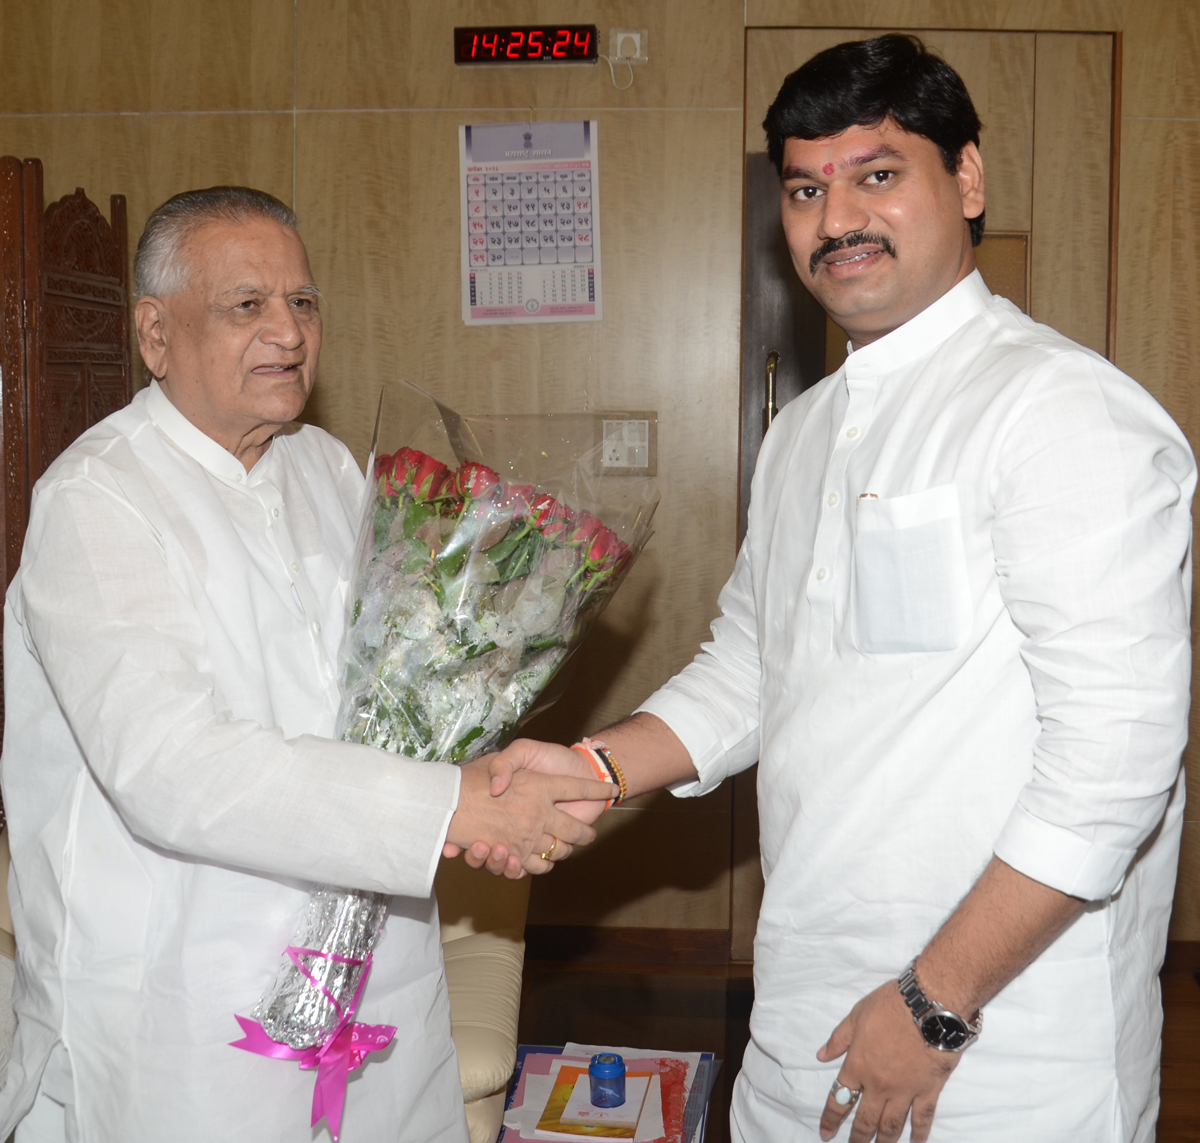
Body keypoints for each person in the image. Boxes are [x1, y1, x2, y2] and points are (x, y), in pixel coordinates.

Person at [468, 34, 1196, 1143]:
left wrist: (937, 1003)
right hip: (803, 1008)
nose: (837, 217)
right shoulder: (804, 433)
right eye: (807, 189)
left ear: (968, 180)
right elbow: (756, 668)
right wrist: (590, 770)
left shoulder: (1059, 413)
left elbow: (1118, 759)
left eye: (879, 174)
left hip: (1002, 1049)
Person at [0, 186, 614, 1143]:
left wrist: (476, 771)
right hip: (187, 994)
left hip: (374, 951)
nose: (286, 331)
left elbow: (406, 684)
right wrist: (448, 802)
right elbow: (173, 767)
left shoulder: (325, 466)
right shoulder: (96, 500)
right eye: (247, 305)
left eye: (304, 302)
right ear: (155, 335)